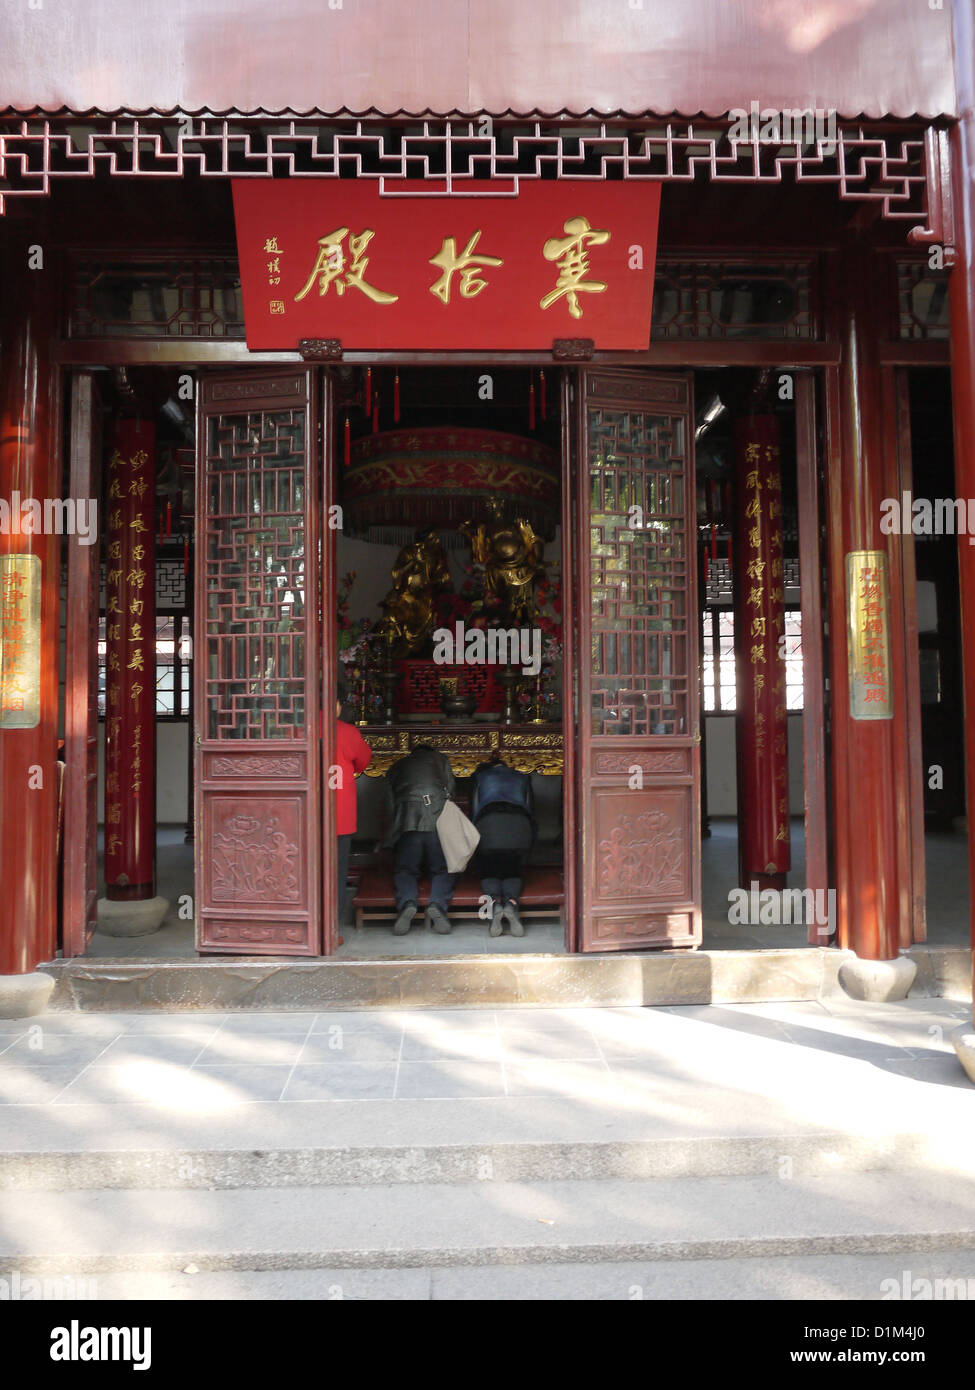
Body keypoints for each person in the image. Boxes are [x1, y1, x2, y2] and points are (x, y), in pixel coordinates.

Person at [383, 744, 457, 935]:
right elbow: (451, 790)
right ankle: (437, 906)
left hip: (408, 822)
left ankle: (408, 903)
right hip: (437, 822)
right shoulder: (441, 760)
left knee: (405, 870)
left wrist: (393, 832)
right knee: (443, 869)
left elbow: (390, 803)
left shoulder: (398, 765)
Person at [471, 758, 535, 936]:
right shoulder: (522, 777)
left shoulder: (480, 778)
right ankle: (511, 904)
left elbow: (474, 808)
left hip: (488, 825)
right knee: (513, 870)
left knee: (489, 870)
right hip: (519, 826)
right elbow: (530, 807)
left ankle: (495, 905)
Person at [335, 677, 372, 923]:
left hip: (306, 813)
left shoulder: (299, 729)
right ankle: (333, 922)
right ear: (337, 704)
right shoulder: (347, 732)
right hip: (339, 815)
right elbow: (364, 762)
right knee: (337, 871)